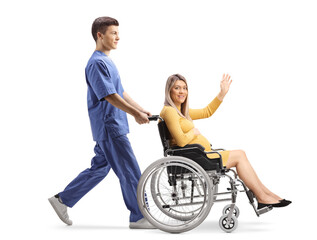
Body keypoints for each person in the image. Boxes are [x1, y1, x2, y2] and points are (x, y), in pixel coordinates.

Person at [48, 16, 155, 229]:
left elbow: (120, 91)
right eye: (113, 33)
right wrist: (134, 114)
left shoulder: (106, 61)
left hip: (111, 125)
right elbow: (110, 96)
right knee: (129, 169)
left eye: (117, 32)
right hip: (110, 126)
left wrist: (141, 109)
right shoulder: (96, 63)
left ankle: (62, 200)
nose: (118, 37)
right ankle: (139, 216)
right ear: (100, 35)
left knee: (99, 169)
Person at [160, 73, 292, 209]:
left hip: (200, 155)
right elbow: (181, 142)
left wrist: (222, 93)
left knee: (241, 154)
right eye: (177, 88)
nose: (182, 91)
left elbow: (207, 111)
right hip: (195, 158)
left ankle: (267, 194)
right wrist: (193, 132)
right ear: (169, 90)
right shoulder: (170, 111)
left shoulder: (181, 112)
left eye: (185, 88)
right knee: (240, 155)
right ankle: (263, 197)